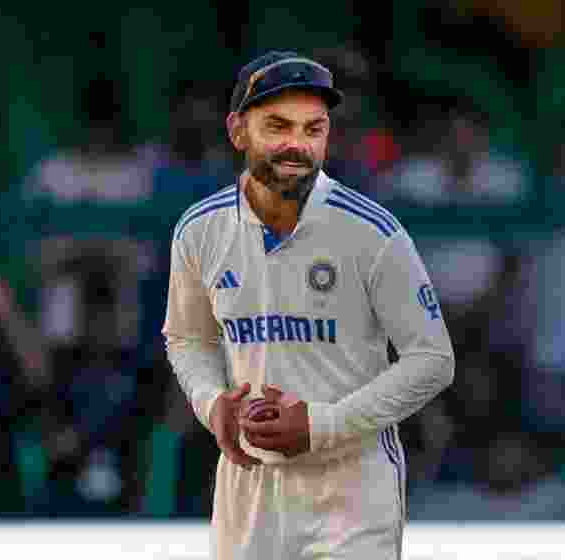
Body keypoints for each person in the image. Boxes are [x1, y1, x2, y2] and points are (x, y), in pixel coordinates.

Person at [162, 51, 455, 559]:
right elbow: (188, 339)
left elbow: (433, 360)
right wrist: (213, 406)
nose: (297, 145)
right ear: (237, 130)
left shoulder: (372, 231)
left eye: (313, 129)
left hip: (353, 485)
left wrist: (320, 426)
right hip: (249, 484)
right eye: (277, 126)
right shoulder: (199, 229)